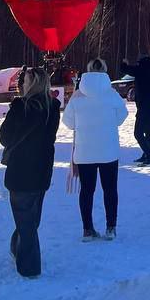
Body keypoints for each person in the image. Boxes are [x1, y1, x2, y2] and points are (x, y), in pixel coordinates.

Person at [0, 67, 60, 277]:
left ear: (29, 84)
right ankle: (17, 248)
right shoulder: (52, 108)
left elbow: (5, 138)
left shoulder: (20, 107)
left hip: (21, 171)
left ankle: (30, 268)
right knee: (31, 219)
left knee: (26, 220)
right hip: (42, 170)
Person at [62, 58, 128, 240]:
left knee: (87, 191)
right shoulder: (112, 94)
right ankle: (111, 228)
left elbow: (68, 122)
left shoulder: (77, 95)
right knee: (110, 190)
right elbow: (123, 115)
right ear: (105, 71)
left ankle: (87, 229)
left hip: (84, 152)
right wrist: (108, 123)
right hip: (109, 150)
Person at [118, 53, 150, 165]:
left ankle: (149, 155)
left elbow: (125, 69)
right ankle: (146, 154)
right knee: (149, 132)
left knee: (138, 133)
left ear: (141, 62)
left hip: (145, 108)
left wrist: (124, 63)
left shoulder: (142, 69)